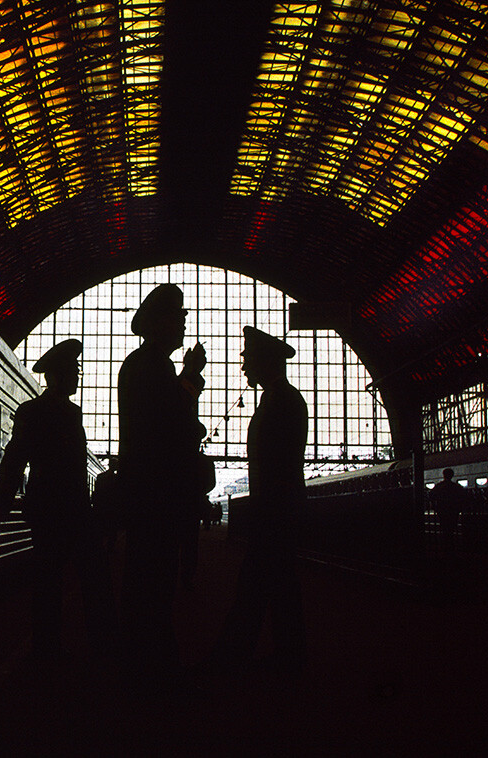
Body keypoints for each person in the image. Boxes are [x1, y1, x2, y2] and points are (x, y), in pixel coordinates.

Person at [0, 339, 116, 664]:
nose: (78, 376)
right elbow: (15, 458)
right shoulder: (35, 413)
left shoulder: (70, 413)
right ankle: (57, 650)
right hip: (52, 513)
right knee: (59, 582)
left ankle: (84, 646)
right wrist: (0, 500)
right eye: (74, 370)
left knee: (68, 580)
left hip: (67, 511)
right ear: (58, 376)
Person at [116, 283, 206, 681]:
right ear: (160, 322)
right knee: (154, 585)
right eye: (179, 313)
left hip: (145, 495)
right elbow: (174, 422)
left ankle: (146, 662)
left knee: (145, 585)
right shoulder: (153, 365)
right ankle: (152, 671)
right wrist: (191, 375)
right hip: (156, 497)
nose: (184, 320)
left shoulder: (140, 363)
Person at [209, 326, 307, 675]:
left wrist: (266, 509)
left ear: (267, 360)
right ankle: (288, 656)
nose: (244, 367)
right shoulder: (280, 399)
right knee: (279, 587)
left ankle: (232, 658)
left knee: (256, 586)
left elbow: (277, 463)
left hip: (275, 510)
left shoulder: (281, 402)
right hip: (278, 509)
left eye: (248, 359)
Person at [429, 467, 468, 551]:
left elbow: (431, 495)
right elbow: (463, 496)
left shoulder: (439, 486)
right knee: (452, 528)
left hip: (442, 510)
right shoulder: (456, 487)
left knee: (444, 528)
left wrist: (435, 507)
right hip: (453, 510)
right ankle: (451, 546)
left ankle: (445, 546)